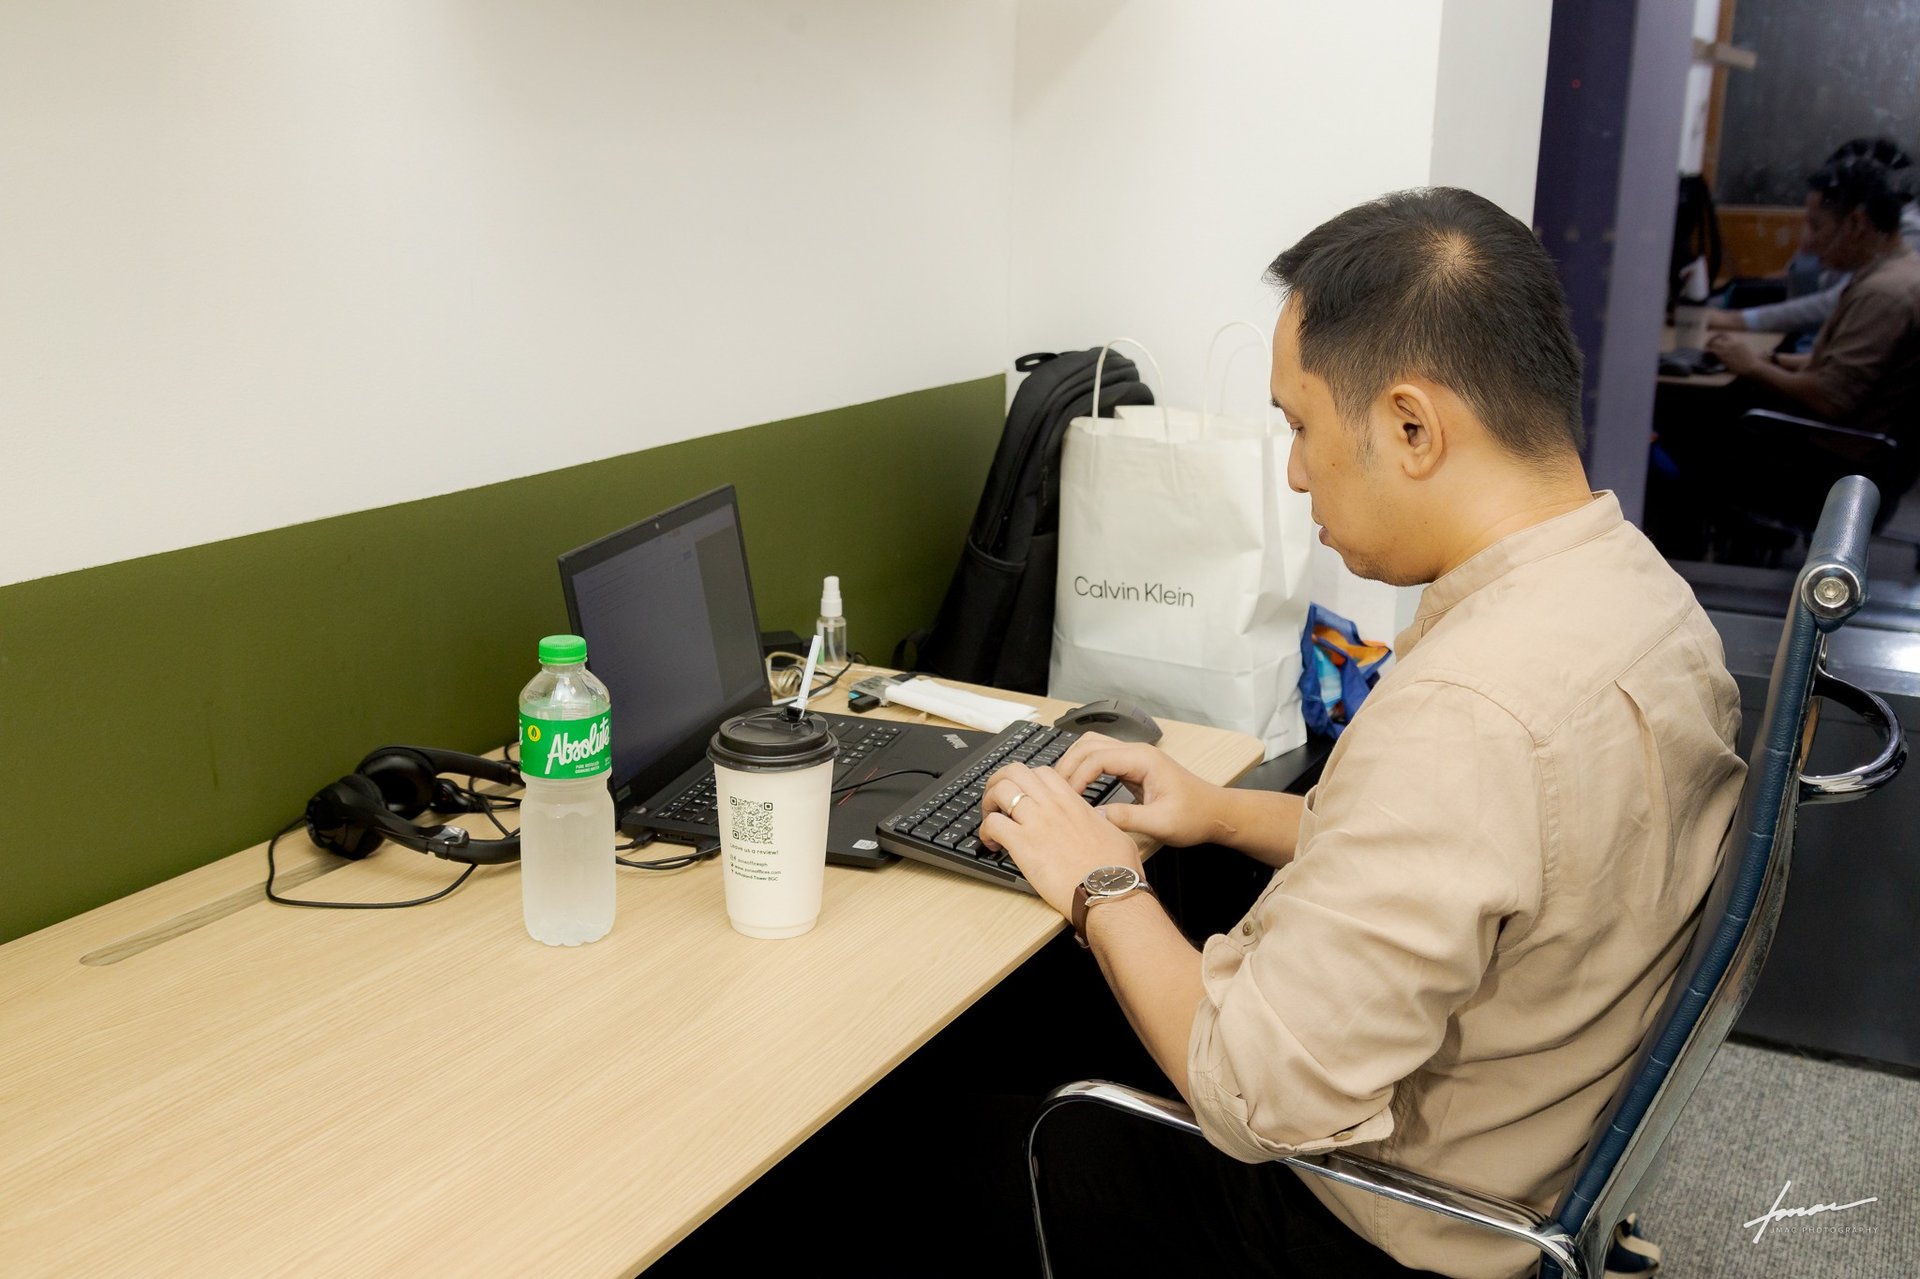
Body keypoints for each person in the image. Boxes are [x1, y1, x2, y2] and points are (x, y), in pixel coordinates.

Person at [978, 188, 1747, 1278]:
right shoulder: (1645, 600)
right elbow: (1509, 859)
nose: (1294, 471)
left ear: (1411, 426)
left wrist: (1102, 882)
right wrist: (1222, 811)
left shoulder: (1469, 713)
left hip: (1373, 1226)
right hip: (1538, 1151)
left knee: (923, 1158)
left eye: (1300, 425)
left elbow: (1251, 1093)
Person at [1650, 154, 1920, 558]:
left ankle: (1681, 571)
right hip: (1855, 455)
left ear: (1857, 223)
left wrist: (1755, 365)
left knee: (1674, 436)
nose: (1806, 242)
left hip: (1829, 469)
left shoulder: (1883, 294)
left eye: (1816, 226)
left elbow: (1832, 397)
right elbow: (1841, 368)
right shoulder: (1899, 273)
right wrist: (1771, 363)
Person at [1707, 138, 1920, 343]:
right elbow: (1801, 274)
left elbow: (1839, 301)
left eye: (1817, 225)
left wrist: (1737, 320)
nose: (1806, 242)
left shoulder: (1905, 236)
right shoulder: (1860, 242)